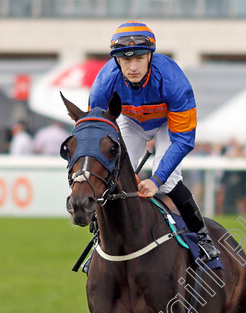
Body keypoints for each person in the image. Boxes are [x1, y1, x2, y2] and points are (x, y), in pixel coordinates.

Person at [88, 20, 219, 262]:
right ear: (117, 60)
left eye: (139, 58)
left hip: (167, 124)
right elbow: (94, 133)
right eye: (126, 60)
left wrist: (157, 180)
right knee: (110, 173)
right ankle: (100, 236)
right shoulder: (102, 84)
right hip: (131, 121)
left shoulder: (174, 81)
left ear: (150, 55)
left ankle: (202, 237)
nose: (133, 66)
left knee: (168, 182)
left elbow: (184, 140)